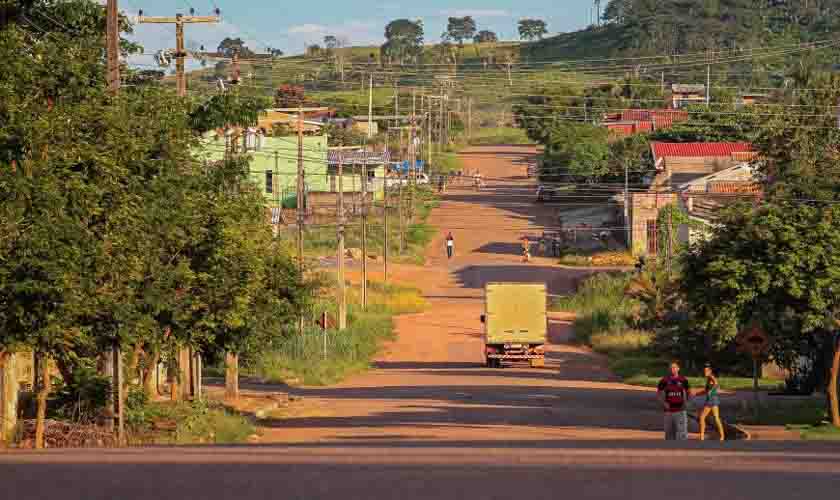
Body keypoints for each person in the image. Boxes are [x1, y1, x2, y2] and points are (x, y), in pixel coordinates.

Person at [657, 361, 690, 441]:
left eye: (674, 367)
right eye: (671, 368)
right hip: (668, 411)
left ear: (678, 368)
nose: (672, 369)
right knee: (669, 435)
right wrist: (664, 403)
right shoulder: (664, 380)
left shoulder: (683, 380)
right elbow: (659, 393)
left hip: (680, 411)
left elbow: (689, 392)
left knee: (682, 435)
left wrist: (686, 403)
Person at [695, 363, 725, 441]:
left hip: (711, 400)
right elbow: (706, 390)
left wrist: (712, 390)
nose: (705, 372)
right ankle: (722, 436)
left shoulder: (711, 377)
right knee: (716, 418)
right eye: (704, 371)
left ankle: (702, 437)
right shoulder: (708, 379)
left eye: (706, 371)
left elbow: (717, 384)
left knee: (702, 417)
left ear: (710, 371)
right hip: (714, 400)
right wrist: (697, 394)